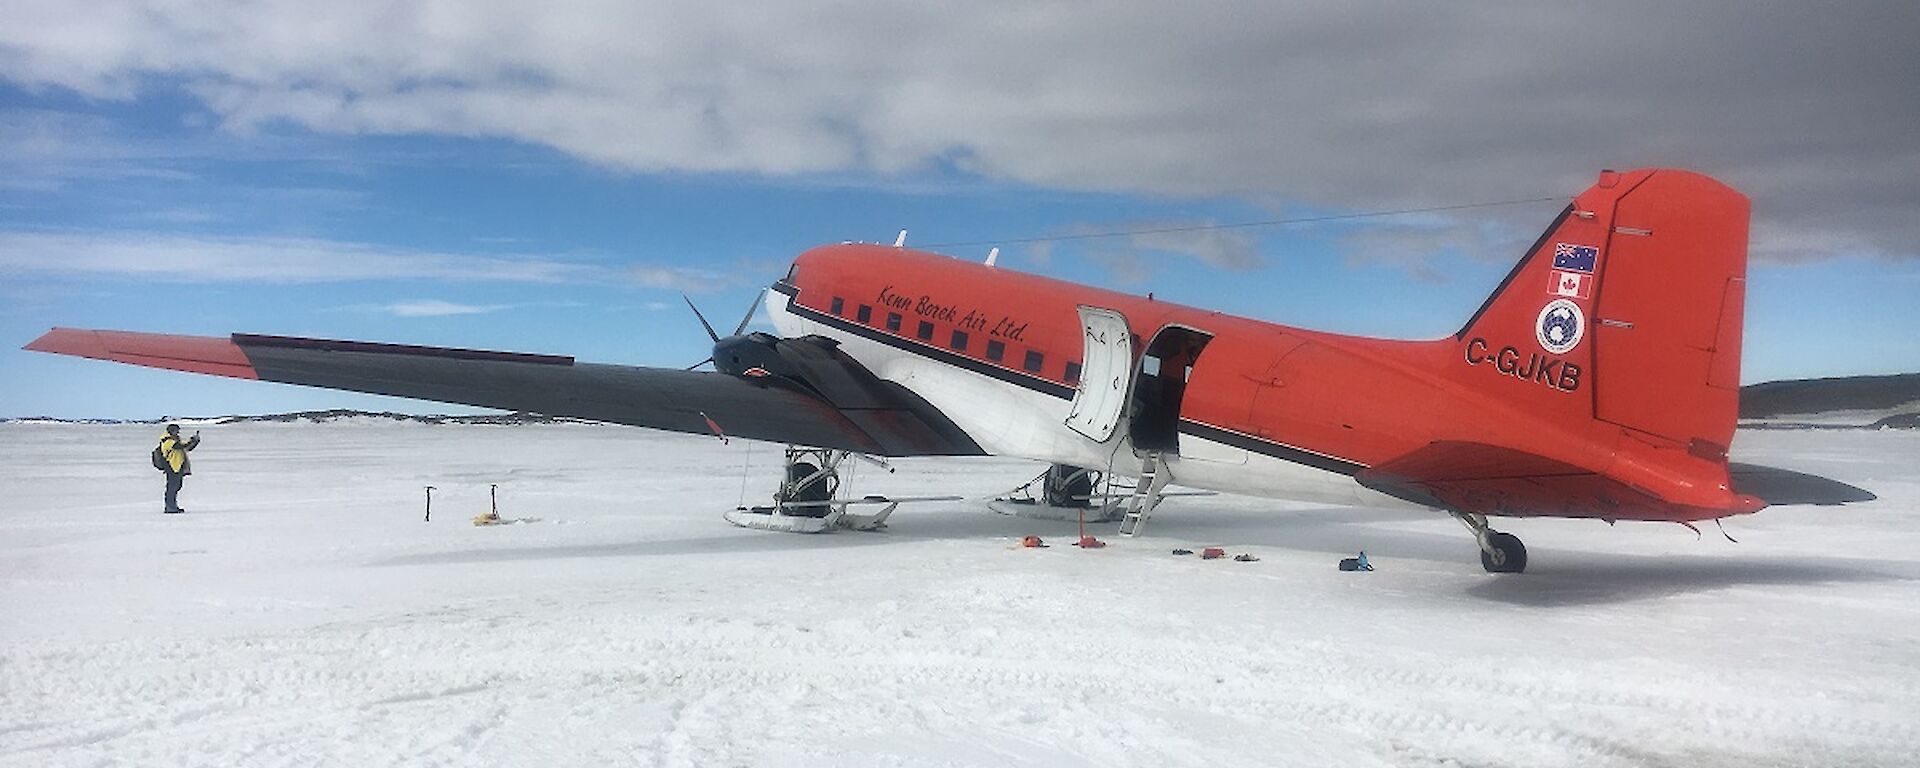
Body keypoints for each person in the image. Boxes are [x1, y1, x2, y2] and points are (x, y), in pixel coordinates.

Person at [157, 424, 201, 514]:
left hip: (177, 467)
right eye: (176, 430)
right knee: (172, 488)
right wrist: (192, 440)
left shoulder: (174, 440)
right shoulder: (167, 440)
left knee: (176, 487)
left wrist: (195, 442)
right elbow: (180, 446)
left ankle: (172, 506)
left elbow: (187, 448)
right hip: (171, 467)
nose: (177, 432)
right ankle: (170, 507)